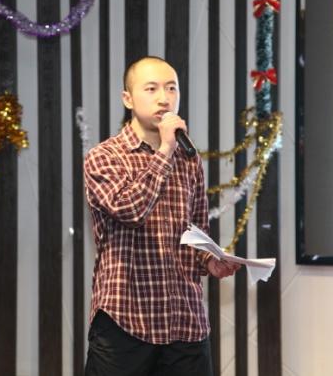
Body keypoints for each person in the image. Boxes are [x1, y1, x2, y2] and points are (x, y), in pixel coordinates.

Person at [83, 56, 240, 376]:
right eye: (151, 88)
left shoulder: (189, 159)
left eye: (171, 88)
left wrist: (209, 259)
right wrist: (165, 151)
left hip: (184, 320)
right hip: (125, 318)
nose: (164, 98)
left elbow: (195, 229)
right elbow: (131, 210)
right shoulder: (103, 156)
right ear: (127, 99)